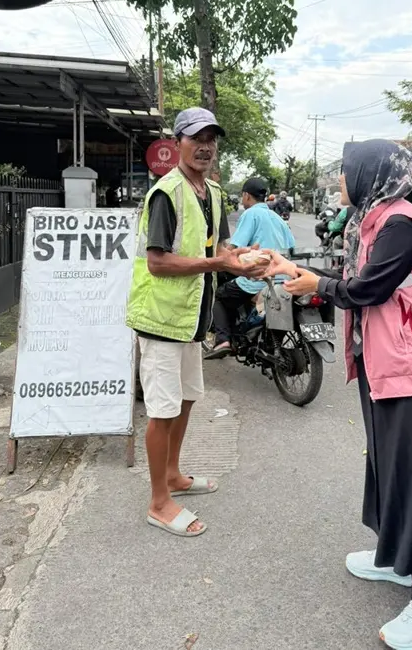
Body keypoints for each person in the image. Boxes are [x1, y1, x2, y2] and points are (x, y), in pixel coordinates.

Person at [264, 139, 412, 650]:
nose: (340, 179)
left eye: (346, 170)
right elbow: (353, 279)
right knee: (389, 466)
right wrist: (295, 270)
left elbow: (368, 289)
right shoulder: (371, 220)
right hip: (388, 365)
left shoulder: (401, 223)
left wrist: (316, 285)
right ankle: (398, 560)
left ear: (370, 175)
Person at [126, 107, 266, 538]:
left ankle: (172, 475)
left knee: (186, 400)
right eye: (196, 138)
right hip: (161, 318)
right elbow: (157, 262)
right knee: (162, 411)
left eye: (211, 139)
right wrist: (217, 263)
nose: (205, 147)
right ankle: (158, 503)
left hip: (192, 319)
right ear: (178, 143)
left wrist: (240, 260)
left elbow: (219, 246)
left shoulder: (214, 193)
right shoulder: (166, 193)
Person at [205, 176, 295, 359]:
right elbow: (291, 246)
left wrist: (215, 258)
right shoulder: (277, 217)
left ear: (246, 195)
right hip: (284, 277)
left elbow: (233, 249)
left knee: (219, 296)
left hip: (259, 277)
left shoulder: (250, 214)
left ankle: (223, 341)